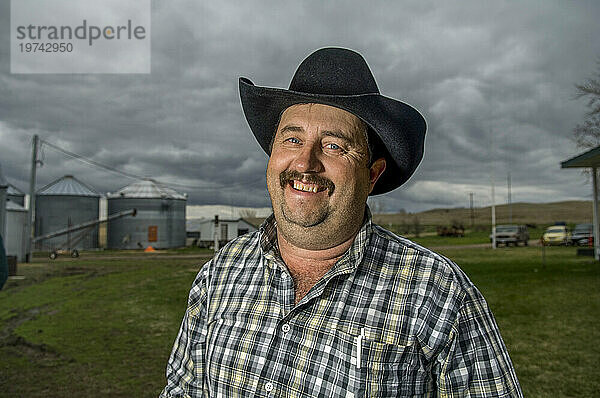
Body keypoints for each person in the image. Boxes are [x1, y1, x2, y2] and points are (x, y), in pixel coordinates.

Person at [160, 48, 522, 397]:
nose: (305, 163)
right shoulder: (220, 274)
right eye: (292, 139)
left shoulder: (439, 295)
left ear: (372, 175)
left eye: (333, 145)